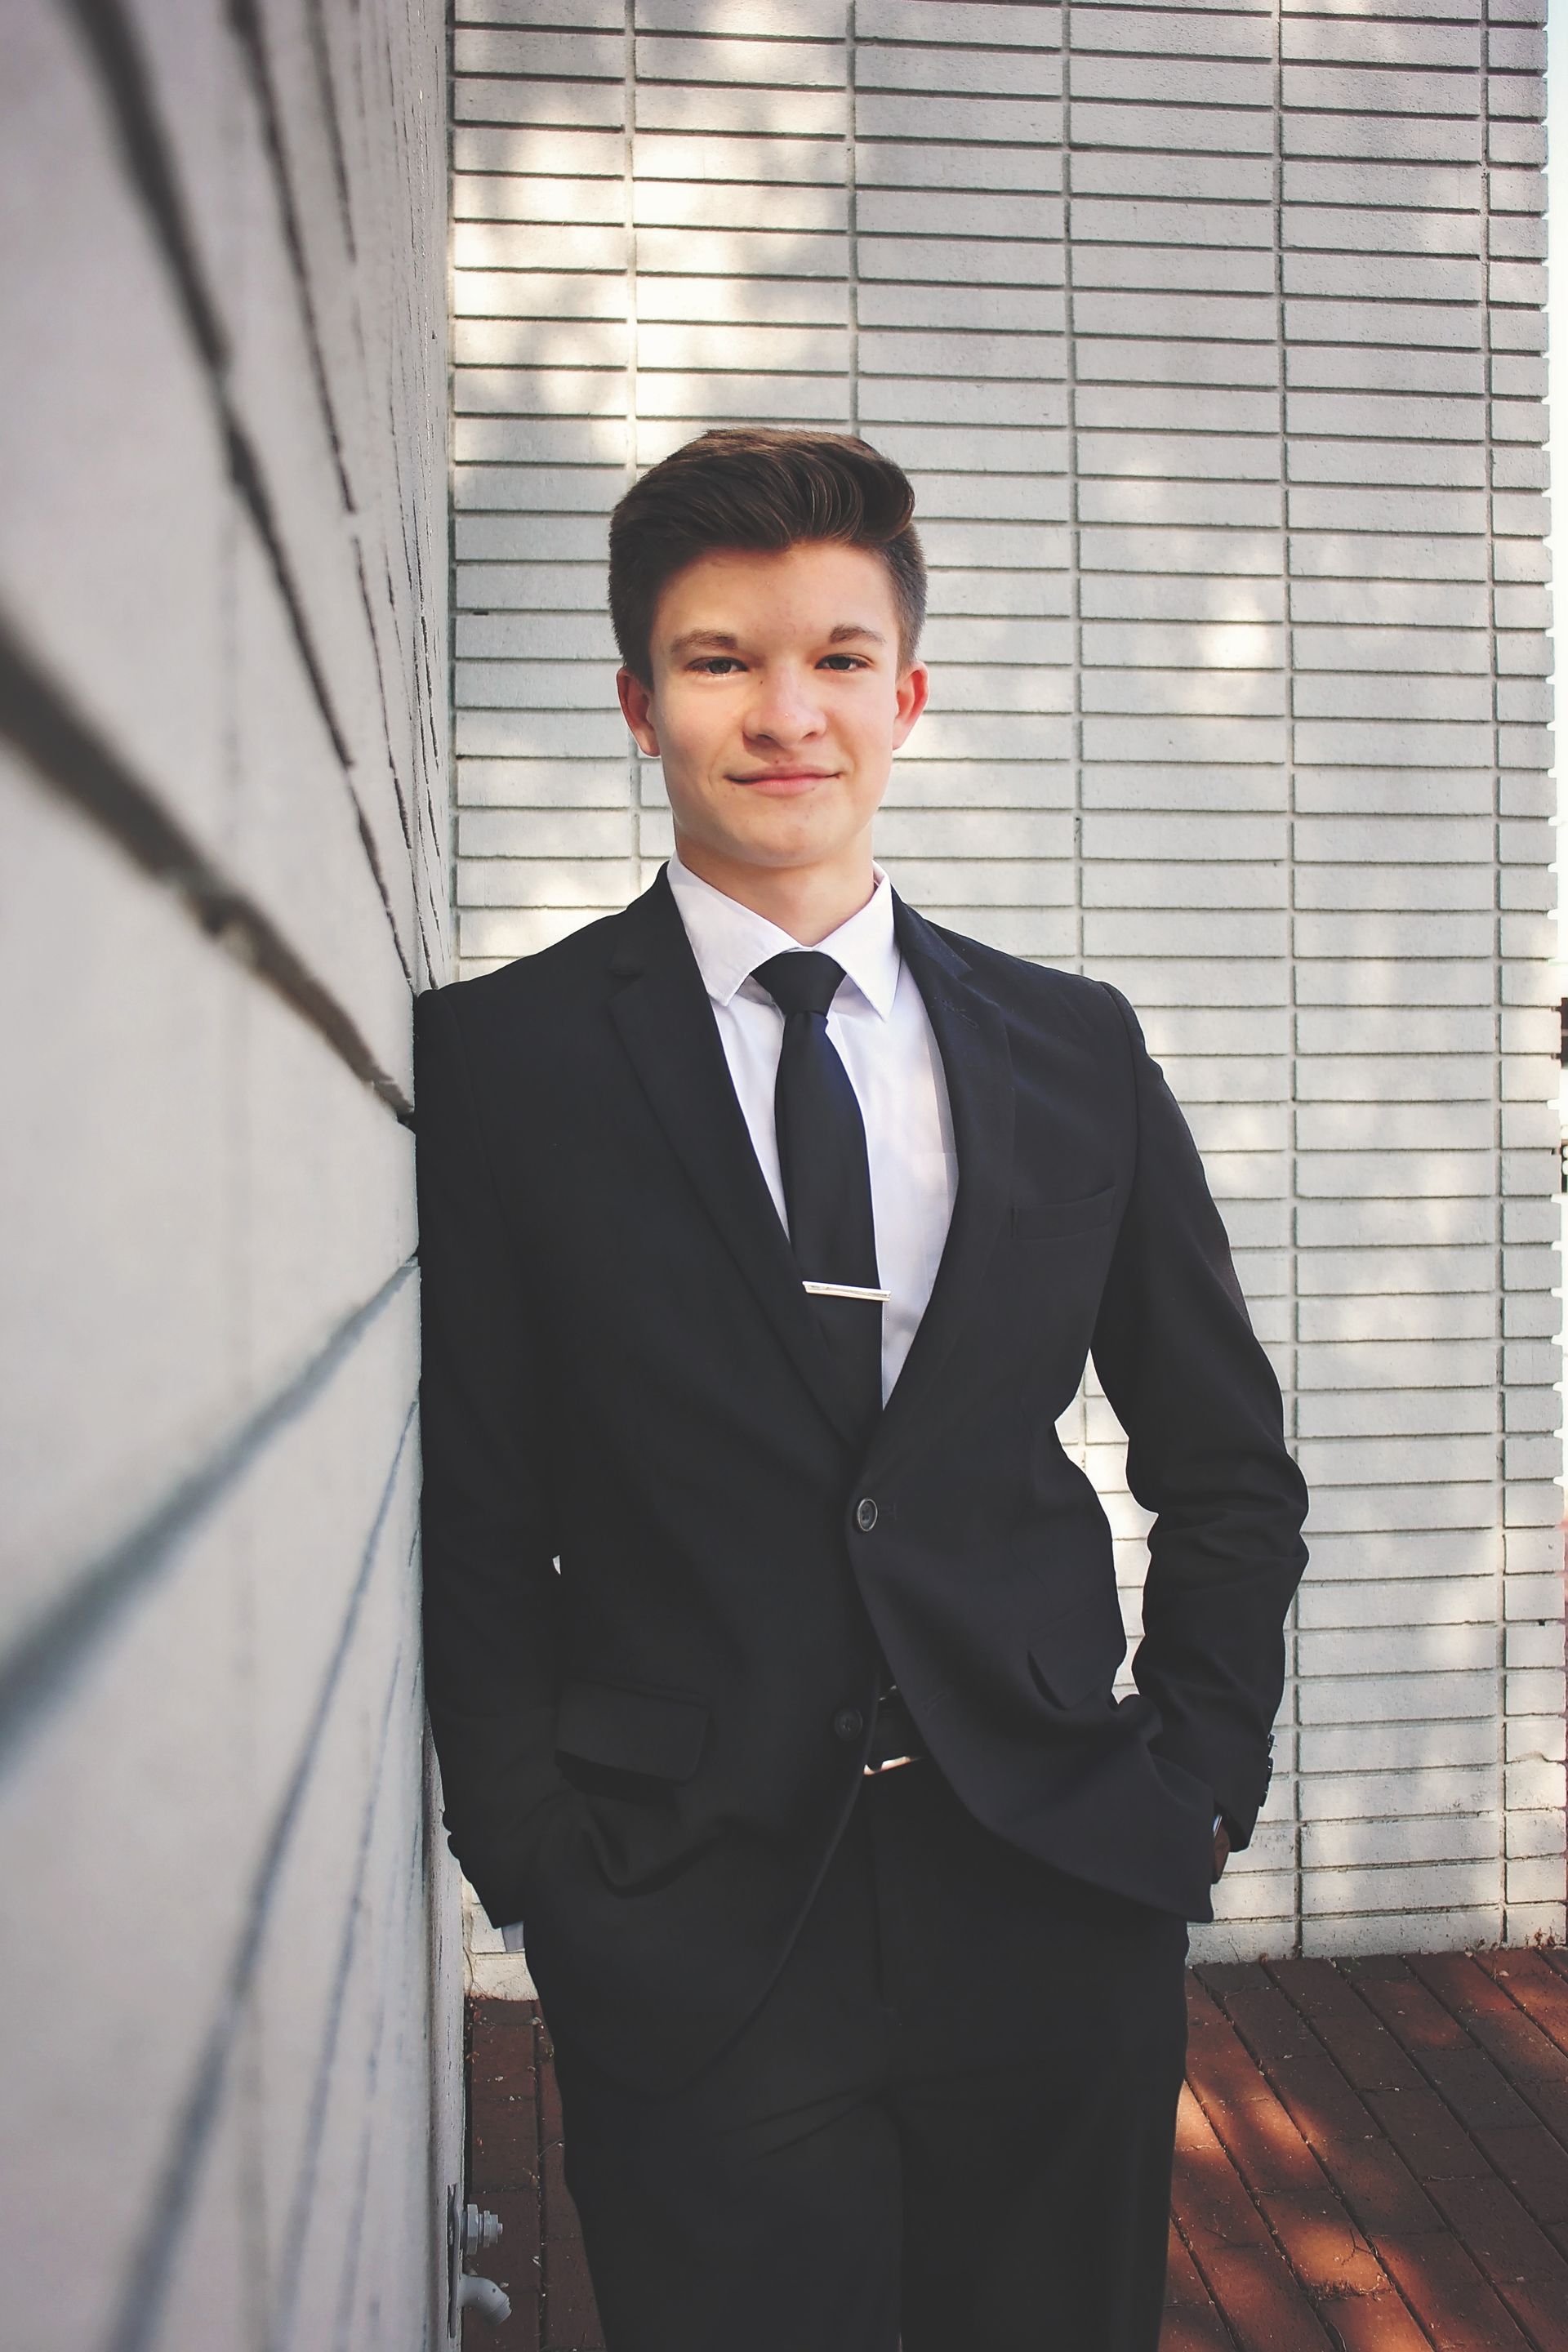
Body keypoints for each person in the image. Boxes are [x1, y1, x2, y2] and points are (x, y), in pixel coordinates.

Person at [414, 427, 1309, 2352]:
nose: (782, 711)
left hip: (1054, 1880)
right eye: (721, 660)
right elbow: (475, 1520)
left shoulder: (1072, 1048)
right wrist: (543, 1878)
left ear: (907, 693)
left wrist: (1196, 1791)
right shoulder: (501, 1065)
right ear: (639, 702)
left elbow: (1230, 1469)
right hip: (693, 1915)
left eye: (833, 657)